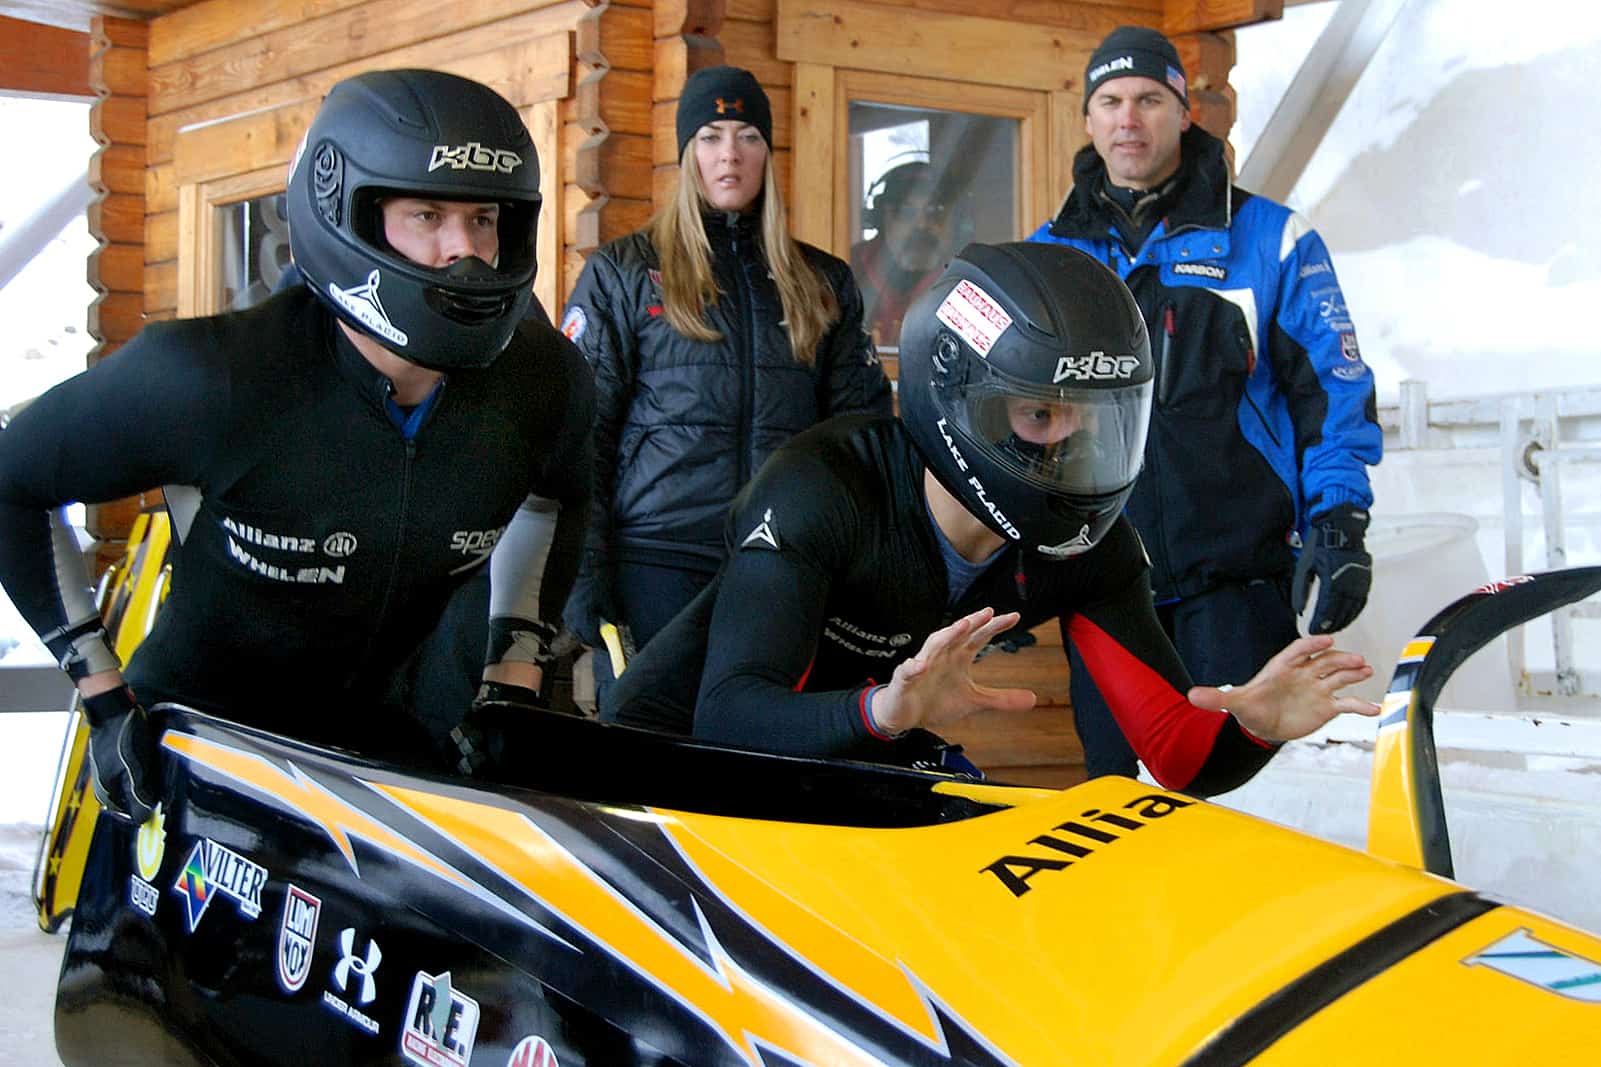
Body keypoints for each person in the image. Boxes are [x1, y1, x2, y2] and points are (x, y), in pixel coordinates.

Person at [0, 69, 595, 821]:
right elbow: (14, 479)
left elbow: (558, 494)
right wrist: (100, 693)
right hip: (193, 751)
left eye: (483, 218)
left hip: (376, 749)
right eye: (427, 216)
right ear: (349, 212)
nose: (465, 251)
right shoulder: (210, 378)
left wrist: (511, 674)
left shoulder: (544, 382)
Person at [604, 242, 1380, 798]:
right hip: (661, 767)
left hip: (857, 743)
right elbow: (727, 714)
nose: (1072, 444)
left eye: (1094, 419)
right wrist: (885, 710)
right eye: (1040, 413)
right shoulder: (822, 486)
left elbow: (1177, 752)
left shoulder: (1087, 549)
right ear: (959, 400)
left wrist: (1257, 725)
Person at [1026, 26, 1383, 778]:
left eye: (1149, 99)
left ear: (1185, 113)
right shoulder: (1044, 258)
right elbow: (1004, 418)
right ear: (1087, 120)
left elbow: (1333, 389)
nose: (1129, 119)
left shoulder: (1271, 239)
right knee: (1118, 808)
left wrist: (1339, 520)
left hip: (1236, 582)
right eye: (1111, 101)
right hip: (1103, 591)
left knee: (1238, 798)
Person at [559, 65, 892, 703]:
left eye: (747, 136)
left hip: (782, 563)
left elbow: (863, 441)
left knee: (758, 757)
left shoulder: (821, 280)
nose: (730, 154)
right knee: (647, 760)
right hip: (654, 562)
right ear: (687, 153)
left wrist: (868, 572)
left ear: (768, 151)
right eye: (710, 136)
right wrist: (585, 577)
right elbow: (581, 436)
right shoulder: (623, 272)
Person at [850, 161, 957, 352]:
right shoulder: (850, 269)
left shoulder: (961, 278)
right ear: (880, 217)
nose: (922, 225)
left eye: (935, 212)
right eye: (905, 212)